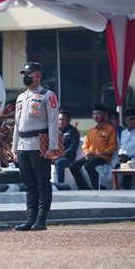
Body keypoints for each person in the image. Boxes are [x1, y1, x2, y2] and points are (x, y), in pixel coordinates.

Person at [12, 62, 59, 231]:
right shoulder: (21, 97)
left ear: (38, 76)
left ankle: (41, 219)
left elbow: (53, 123)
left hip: (40, 144)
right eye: (24, 73)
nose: (26, 77)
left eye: (29, 74)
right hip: (23, 146)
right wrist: (14, 149)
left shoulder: (48, 95)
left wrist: (52, 147)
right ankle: (30, 219)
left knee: (42, 183)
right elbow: (16, 125)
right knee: (29, 184)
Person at [69, 105, 117, 190]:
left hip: (103, 157)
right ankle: (83, 187)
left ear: (104, 115)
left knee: (88, 166)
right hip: (90, 156)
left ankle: (96, 188)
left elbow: (112, 147)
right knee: (73, 166)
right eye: (94, 114)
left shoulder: (110, 129)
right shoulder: (91, 131)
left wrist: (100, 153)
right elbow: (86, 145)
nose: (96, 116)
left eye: (98, 113)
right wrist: (87, 152)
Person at [53, 110, 80, 183]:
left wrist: (59, 156)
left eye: (63, 119)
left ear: (69, 120)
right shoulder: (55, 131)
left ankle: (60, 184)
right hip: (54, 156)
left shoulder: (73, 131)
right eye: (59, 119)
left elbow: (72, 148)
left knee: (59, 162)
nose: (61, 121)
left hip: (68, 158)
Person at [117, 109, 135, 189]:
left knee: (128, 164)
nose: (133, 121)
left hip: (133, 157)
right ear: (126, 121)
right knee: (117, 165)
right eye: (131, 119)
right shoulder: (124, 132)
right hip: (124, 157)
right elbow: (122, 146)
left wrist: (130, 156)